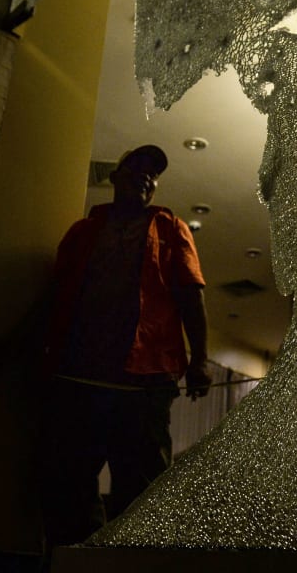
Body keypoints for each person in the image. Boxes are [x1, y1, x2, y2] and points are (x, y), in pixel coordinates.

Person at [38, 144, 212, 547]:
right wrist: (26, 346)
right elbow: (56, 294)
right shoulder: (84, 231)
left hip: (144, 383)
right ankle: (79, 562)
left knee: (141, 489)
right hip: (80, 378)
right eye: (136, 168)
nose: (145, 177)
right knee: (67, 481)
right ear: (114, 178)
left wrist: (200, 358)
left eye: (153, 174)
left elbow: (191, 295)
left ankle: (126, 566)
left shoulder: (171, 228)